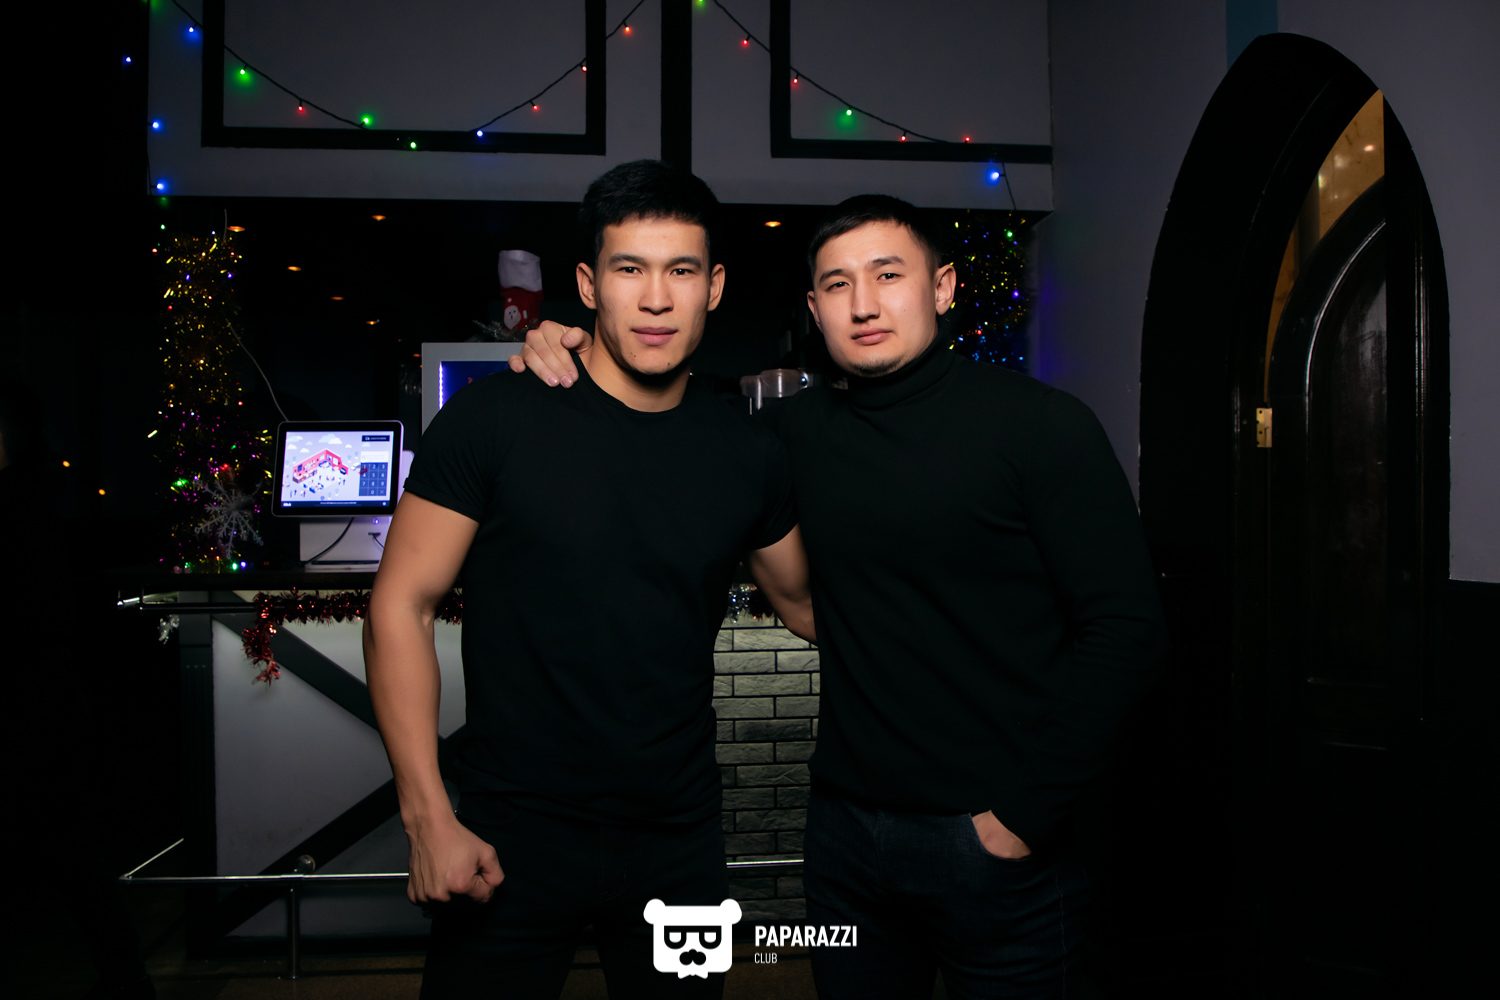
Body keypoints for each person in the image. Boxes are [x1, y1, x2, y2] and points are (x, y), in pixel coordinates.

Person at [511, 194, 1168, 998]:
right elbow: (665, 426)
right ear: (815, 307)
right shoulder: (789, 436)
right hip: (846, 843)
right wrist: (566, 348)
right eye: (837, 284)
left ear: (942, 287)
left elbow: (1126, 629)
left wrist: (1024, 817)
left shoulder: (1042, 427)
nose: (863, 304)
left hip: (999, 843)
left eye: (887, 275)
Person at [363, 159, 813, 1000]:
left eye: (681, 271)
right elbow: (401, 605)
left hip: (678, 837)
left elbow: (808, 603)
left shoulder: (749, 454)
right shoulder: (497, 417)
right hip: (509, 833)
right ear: (588, 285)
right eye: (629, 269)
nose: (656, 299)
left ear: (714, 287)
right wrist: (427, 818)